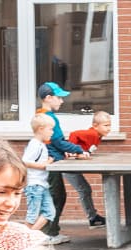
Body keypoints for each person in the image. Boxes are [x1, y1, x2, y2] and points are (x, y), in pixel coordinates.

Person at [36, 82, 88, 235]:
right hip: (50, 163)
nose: (62, 101)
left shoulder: (41, 115)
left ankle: (51, 231)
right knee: (55, 197)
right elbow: (57, 141)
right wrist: (79, 149)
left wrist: (66, 150)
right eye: (59, 98)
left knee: (54, 196)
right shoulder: (48, 117)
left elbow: (56, 142)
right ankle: (48, 234)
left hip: (50, 160)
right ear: (48, 98)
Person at [64, 111, 112, 228]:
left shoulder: (98, 135)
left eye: (110, 125)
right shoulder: (93, 134)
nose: (109, 128)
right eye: (106, 125)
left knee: (85, 189)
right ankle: (92, 218)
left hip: (72, 164)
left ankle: (93, 217)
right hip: (67, 165)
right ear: (95, 125)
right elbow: (74, 134)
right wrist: (72, 150)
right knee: (84, 190)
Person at [22, 115, 64, 245]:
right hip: (35, 185)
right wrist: (44, 165)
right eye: (50, 129)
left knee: (50, 212)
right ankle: (24, 240)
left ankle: (30, 237)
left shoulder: (41, 145)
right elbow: (25, 161)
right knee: (32, 214)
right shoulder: (35, 145)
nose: (52, 132)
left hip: (42, 185)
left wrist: (48, 161)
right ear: (41, 129)